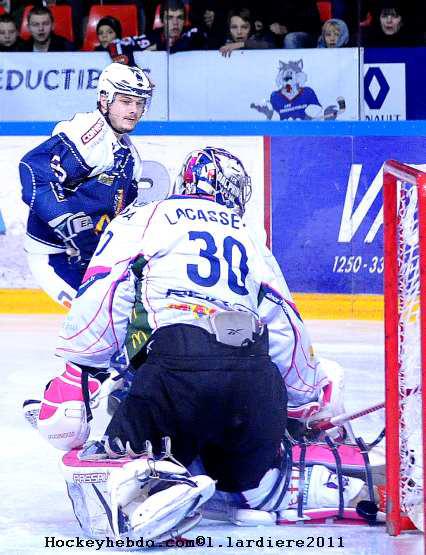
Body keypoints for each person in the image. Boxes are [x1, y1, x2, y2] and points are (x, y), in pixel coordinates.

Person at [32, 146, 380, 540]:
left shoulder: (144, 217)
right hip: (254, 379)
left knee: (107, 452)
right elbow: (285, 323)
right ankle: (272, 485)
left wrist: (79, 369)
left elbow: (105, 290)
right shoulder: (249, 235)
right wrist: (301, 404)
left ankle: (153, 486)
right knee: (253, 478)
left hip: (176, 373)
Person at [19, 62, 154, 308]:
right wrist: (70, 224)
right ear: (104, 99)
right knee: (104, 318)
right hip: (56, 256)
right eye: (125, 101)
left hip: (91, 259)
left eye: (139, 103)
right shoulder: (87, 133)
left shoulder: (130, 155)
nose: (134, 110)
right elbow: (33, 170)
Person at [107, 0, 207, 66]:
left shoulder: (192, 32)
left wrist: (158, 47)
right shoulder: (151, 38)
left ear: (184, 20)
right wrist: (129, 64)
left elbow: (190, 41)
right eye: (170, 18)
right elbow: (115, 44)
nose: (175, 23)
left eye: (179, 17)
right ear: (162, 20)